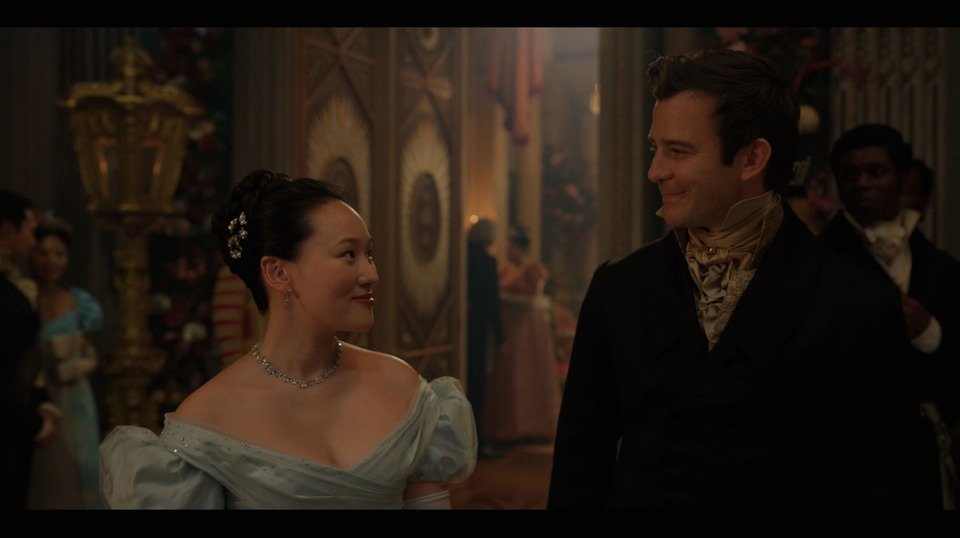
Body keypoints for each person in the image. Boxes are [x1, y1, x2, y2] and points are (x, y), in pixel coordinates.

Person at [548, 49, 923, 509]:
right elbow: (578, 473)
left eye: (678, 151)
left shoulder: (857, 303)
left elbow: (882, 487)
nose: (655, 171)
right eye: (655, 148)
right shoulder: (618, 288)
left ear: (751, 158)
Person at [99, 170, 477, 509]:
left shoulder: (400, 383)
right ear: (278, 272)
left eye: (369, 253)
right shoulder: (206, 420)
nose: (371, 274)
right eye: (349, 254)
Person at [819, 124, 959, 509]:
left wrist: (931, 334)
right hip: (847, 462)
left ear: (901, 178)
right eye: (850, 174)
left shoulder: (942, 269)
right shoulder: (816, 264)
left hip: (921, 462)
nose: (862, 183)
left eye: (876, 172)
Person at [25, 217, 104, 509]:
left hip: (74, 396)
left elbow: (90, 355)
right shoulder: (23, 298)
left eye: (59, 254)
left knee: (79, 464)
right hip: (34, 396)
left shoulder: (77, 302)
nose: (51, 261)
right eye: (43, 253)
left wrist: (74, 367)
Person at [0, 189, 60, 509]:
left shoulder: (12, 282)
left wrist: (42, 400)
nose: (33, 240)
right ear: (7, 230)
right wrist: (32, 423)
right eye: (29, 229)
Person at [483, 226, 561, 446]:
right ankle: (508, 425)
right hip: (509, 325)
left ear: (522, 249)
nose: (509, 251)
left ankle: (532, 425)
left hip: (526, 326)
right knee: (508, 371)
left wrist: (502, 298)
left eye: (513, 247)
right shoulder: (504, 269)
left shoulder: (532, 269)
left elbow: (530, 298)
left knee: (525, 369)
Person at [466, 218, 503, 458]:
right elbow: (492, 303)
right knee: (478, 384)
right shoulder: (487, 262)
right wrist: (501, 336)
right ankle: (477, 442)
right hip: (479, 330)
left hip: (460, 328)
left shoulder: (462, 257)